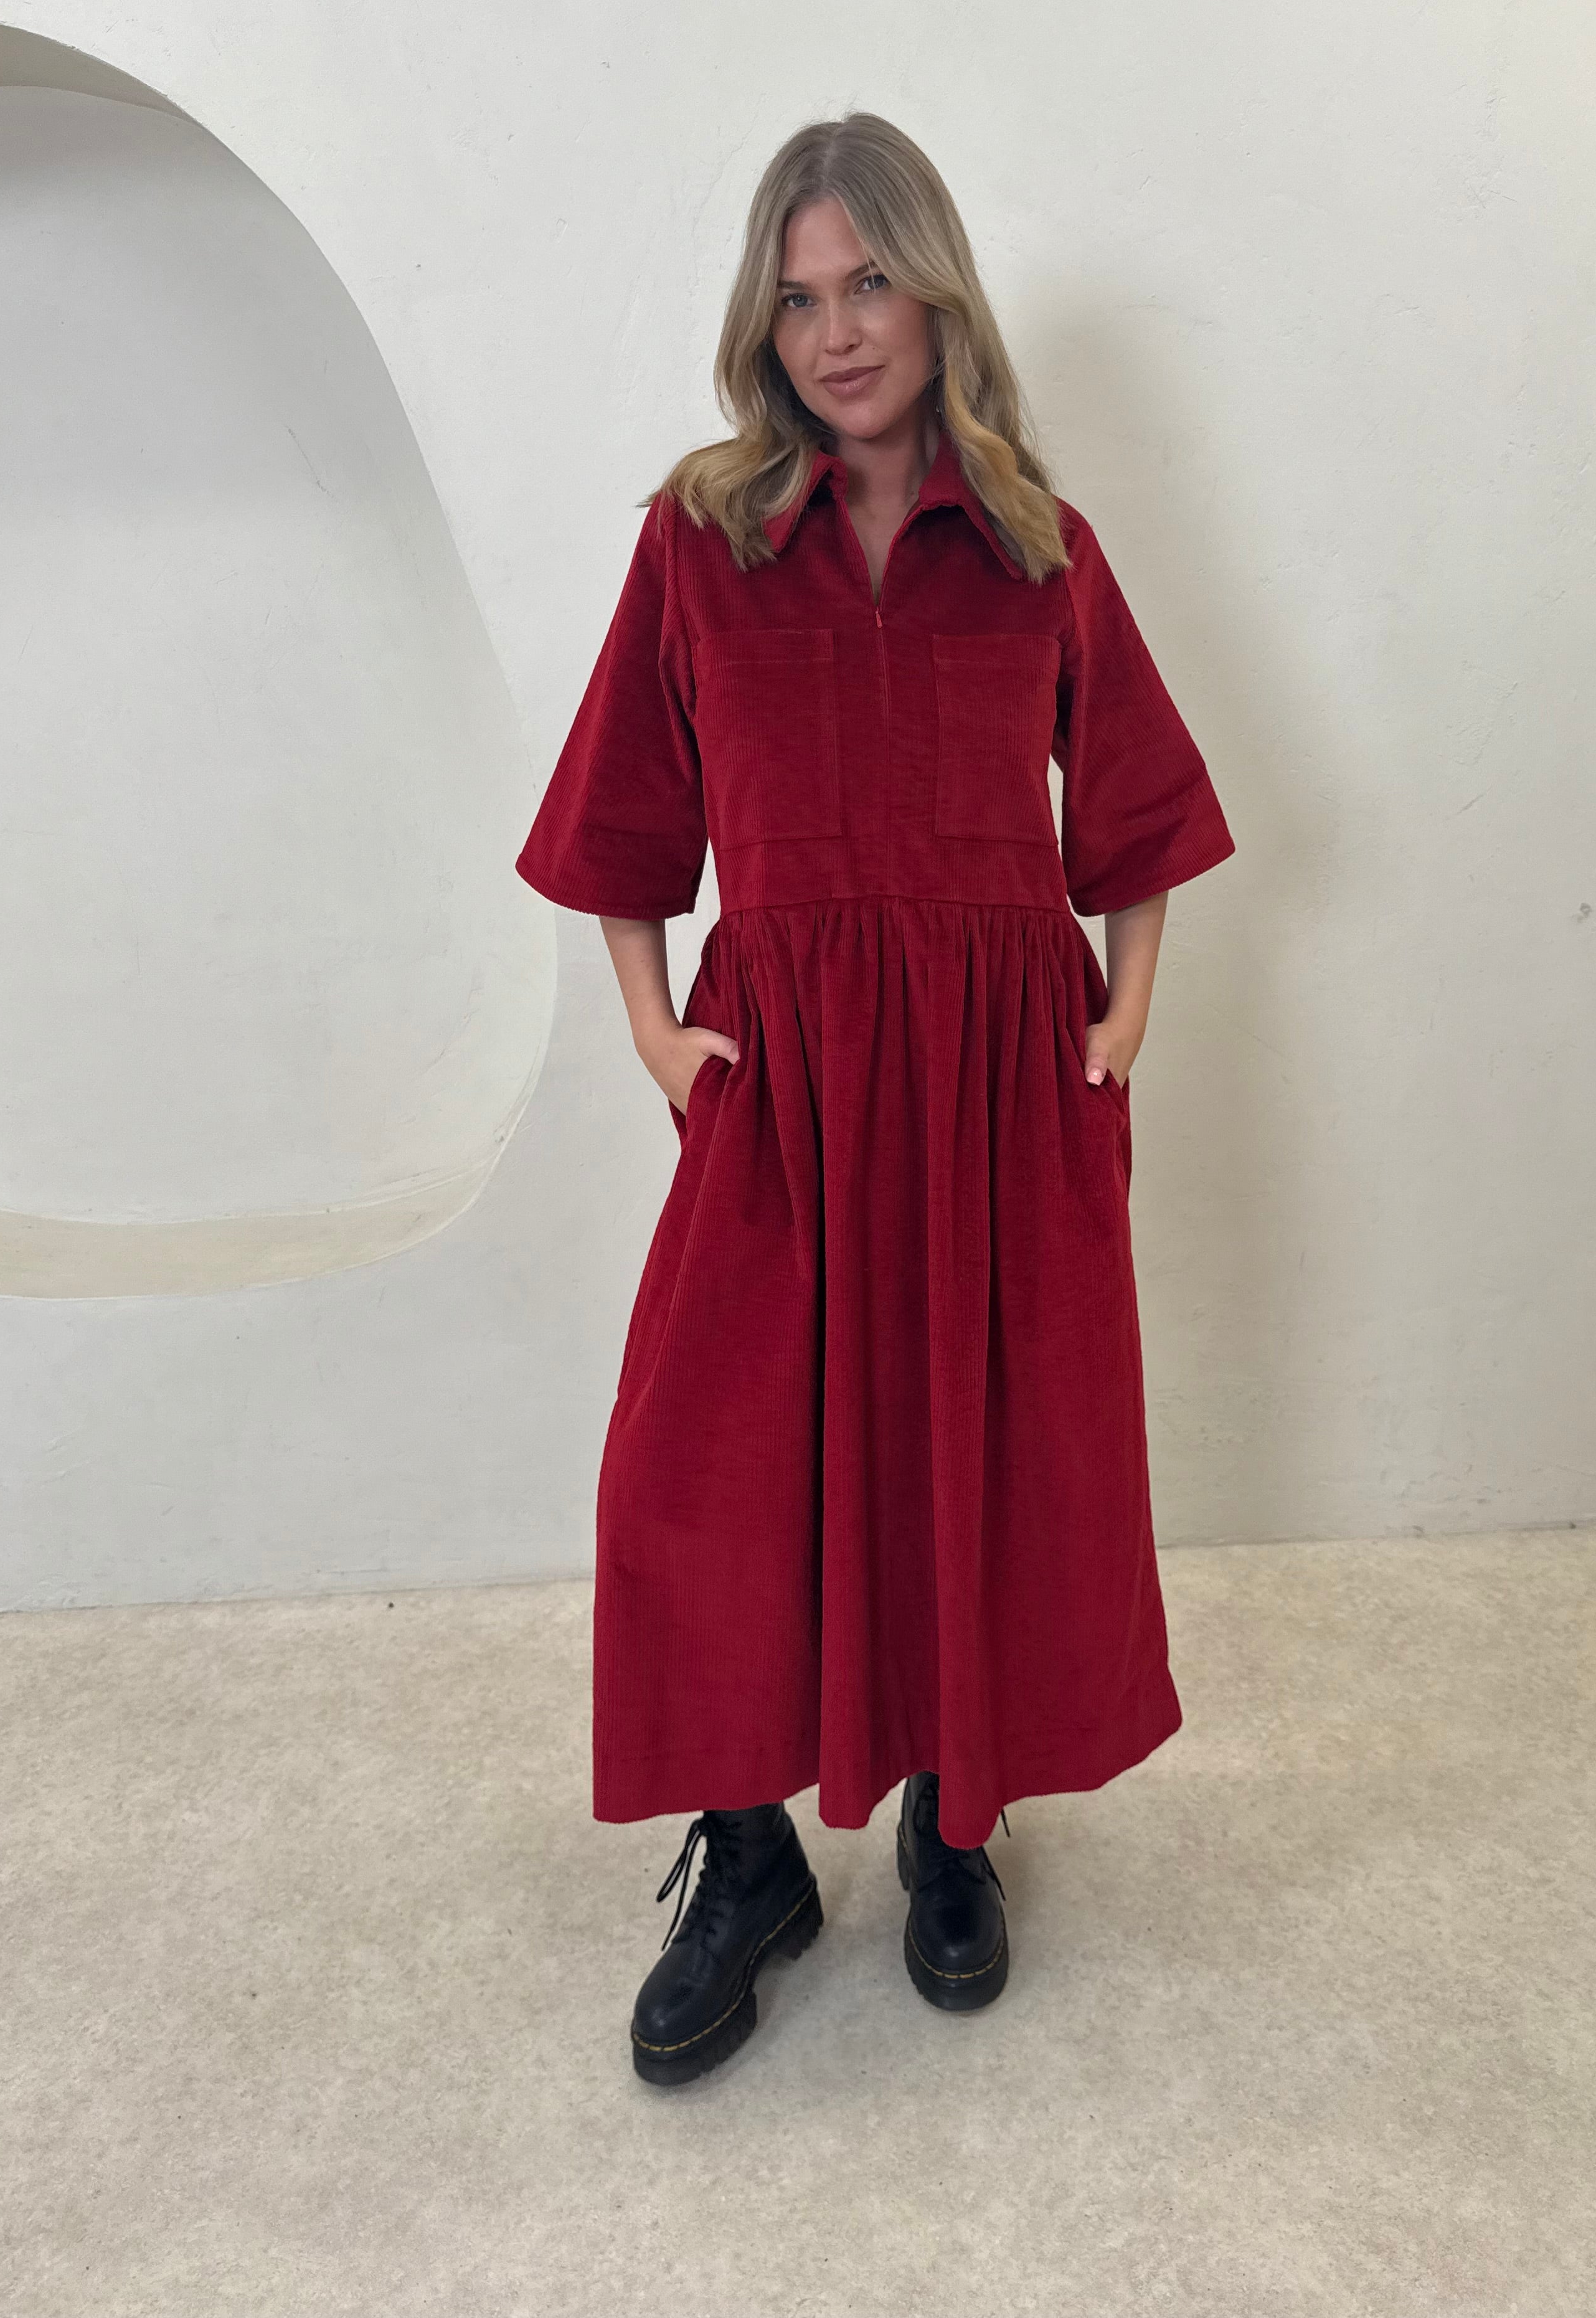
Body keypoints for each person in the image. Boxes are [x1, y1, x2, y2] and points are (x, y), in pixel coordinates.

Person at [516, 111, 1235, 2086]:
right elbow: (622, 817)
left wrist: (1124, 1015)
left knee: (977, 1449)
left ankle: (956, 1821)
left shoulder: (1037, 547)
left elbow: (1141, 807)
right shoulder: (701, 540)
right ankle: (748, 1859)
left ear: (938, 299)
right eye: (799, 297)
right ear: (765, 324)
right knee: (700, 1467)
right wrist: (655, 1030)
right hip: (785, 1084)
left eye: (871, 285)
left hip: (1000, 1087)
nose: (837, 332)